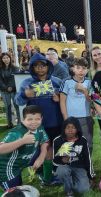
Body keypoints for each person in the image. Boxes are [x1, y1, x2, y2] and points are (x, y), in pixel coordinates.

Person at [15, 53, 63, 184]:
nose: (40, 68)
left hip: (55, 123)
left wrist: (59, 99)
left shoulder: (56, 82)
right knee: (37, 151)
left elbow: (65, 101)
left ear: (48, 67)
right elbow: (18, 101)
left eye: (43, 65)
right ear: (32, 68)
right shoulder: (27, 83)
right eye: (36, 66)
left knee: (53, 149)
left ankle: (48, 174)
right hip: (37, 125)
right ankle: (44, 174)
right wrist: (25, 95)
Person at [0, 105, 48, 190]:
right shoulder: (16, 132)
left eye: (37, 119)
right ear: (23, 119)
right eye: (30, 119)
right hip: (8, 168)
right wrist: (22, 141)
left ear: (41, 119)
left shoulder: (39, 127)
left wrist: (41, 157)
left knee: (44, 154)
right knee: (15, 191)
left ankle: (43, 177)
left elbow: (45, 142)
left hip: (24, 160)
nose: (34, 122)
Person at [53, 117, 94, 197]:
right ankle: (68, 191)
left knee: (84, 190)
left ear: (77, 129)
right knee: (62, 171)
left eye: (73, 127)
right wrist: (62, 160)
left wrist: (90, 176)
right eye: (68, 127)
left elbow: (87, 158)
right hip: (64, 167)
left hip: (79, 167)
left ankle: (74, 180)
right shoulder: (57, 140)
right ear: (64, 129)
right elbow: (55, 161)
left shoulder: (82, 140)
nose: (70, 130)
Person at [59, 58, 93, 151]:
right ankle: (71, 162)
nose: (81, 70)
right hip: (70, 117)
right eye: (78, 68)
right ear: (73, 69)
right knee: (70, 142)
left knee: (87, 142)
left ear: (87, 70)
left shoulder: (89, 82)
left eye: (84, 68)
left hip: (86, 117)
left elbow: (91, 101)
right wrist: (66, 118)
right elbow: (62, 101)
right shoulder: (66, 81)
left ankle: (87, 163)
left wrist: (84, 90)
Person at [0, 53, 20, 128]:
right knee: (7, 106)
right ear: (2, 59)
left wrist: (11, 87)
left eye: (7, 57)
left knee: (16, 105)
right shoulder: (0, 69)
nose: (6, 59)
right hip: (4, 91)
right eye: (4, 58)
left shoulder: (15, 68)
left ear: (10, 58)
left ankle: (19, 123)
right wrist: (6, 88)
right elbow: (0, 81)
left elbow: (15, 79)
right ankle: (9, 123)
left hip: (14, 90)